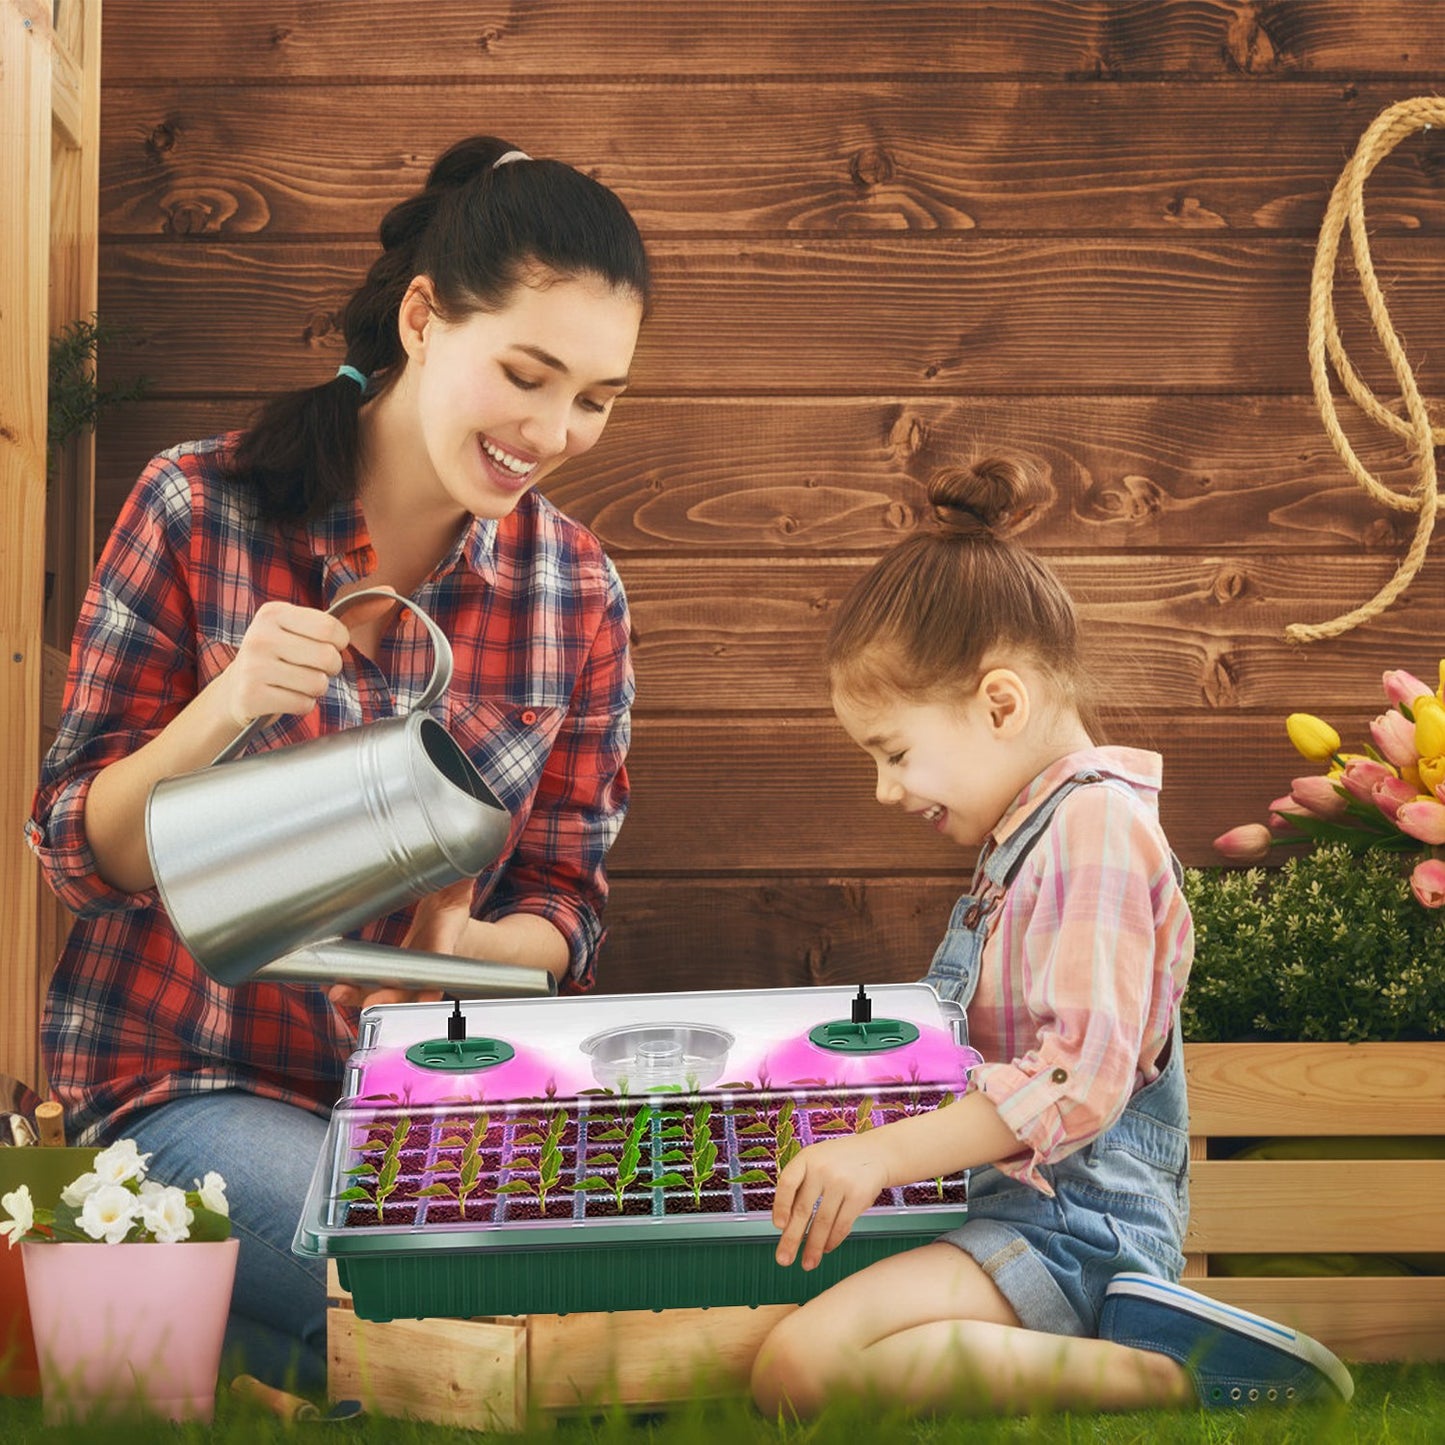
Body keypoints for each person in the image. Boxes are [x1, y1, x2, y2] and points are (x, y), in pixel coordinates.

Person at [26, 136, 651, 1390]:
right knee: (456, 1291)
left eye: (593, 396)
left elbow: (564, 911)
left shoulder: (575, 591)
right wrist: (222, 707)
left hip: (429, 1112)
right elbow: (78, 856)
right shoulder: (200, 506)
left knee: (581, 1279)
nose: (552, 430)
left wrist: (464, 951)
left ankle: (198, 1344)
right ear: (424, 318)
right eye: (525, 375)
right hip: (184, 1085)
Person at [750, 460, 1355, 1418]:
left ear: (1000, 704)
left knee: (799, 1369)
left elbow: (1076, 1078)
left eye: (894, 752)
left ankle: (1161, 1371)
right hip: (1006, 1213)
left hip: (1074, 1232)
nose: (885, 789)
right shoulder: (1026, 844)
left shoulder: (1094, 829)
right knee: (796, 1359)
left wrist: (878, 1156)